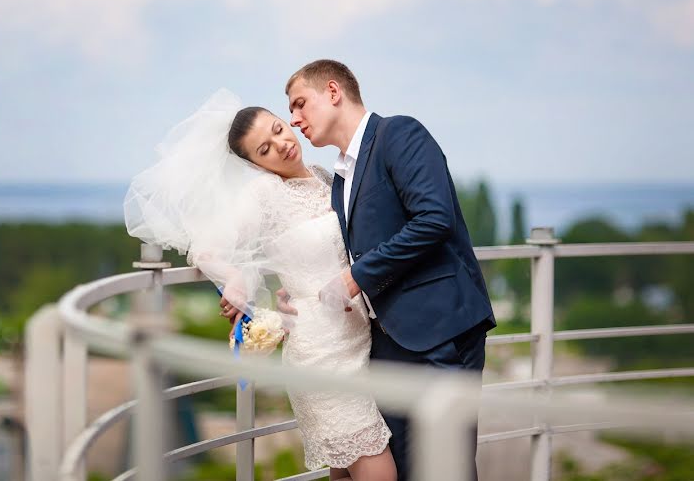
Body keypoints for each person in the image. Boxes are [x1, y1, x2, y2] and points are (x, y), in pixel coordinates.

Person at [125, 90, 397, 481]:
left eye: (279, 130)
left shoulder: (323, 178)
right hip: (321, 354)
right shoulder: (263, 196)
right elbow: (207, 248)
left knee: (346, 472)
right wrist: (235, 280)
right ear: (255, 164)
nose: (282, 145)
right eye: (265, 149)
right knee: (378, 471)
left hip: (357, 343)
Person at [273, 59, 497, 481]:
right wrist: (292, 293)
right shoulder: (339, 178)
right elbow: (341, 253)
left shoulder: (399, 133)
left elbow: (434, 219)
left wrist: (356, 278)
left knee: (447, 469)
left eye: (301, 104)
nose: (294, 119)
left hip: (440, 334)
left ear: (334, 92)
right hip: (385, 346)